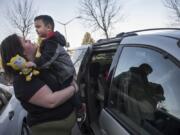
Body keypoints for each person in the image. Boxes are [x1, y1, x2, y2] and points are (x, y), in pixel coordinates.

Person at [0, 34, 78, 135]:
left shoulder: (38, 66)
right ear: (20, 52)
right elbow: (51, 101)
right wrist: (73, 88)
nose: (29, 39)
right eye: (24, 41)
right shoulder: (23, 79)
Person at [29, 15, 86, 124]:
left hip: (65, 72)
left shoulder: (52, 42)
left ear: (49, 27)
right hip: (60, 72)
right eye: (35, 27)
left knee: (67, 91)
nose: (36, 30)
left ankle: (80, 108)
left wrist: (33, 63)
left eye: (38, 26)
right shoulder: (47, 42)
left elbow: (47, 59)